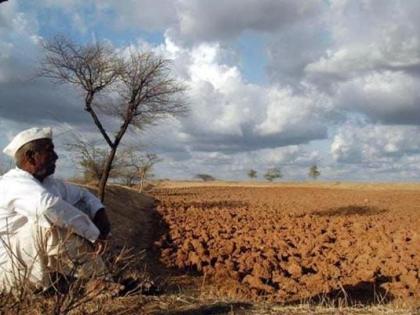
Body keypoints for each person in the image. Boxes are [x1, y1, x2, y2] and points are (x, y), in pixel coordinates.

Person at [0, 127, 112, 292]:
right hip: (11, 268)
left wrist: (100, 214)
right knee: (49, 225)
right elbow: (48, 208)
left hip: (34, 260)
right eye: (49, 151)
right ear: (31, 156)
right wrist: (94, 234)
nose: (56, 156)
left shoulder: (49, 183)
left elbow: (83, 194)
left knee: (78, 208)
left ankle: (96, 280)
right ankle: (98, 281)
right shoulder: (12, 183)